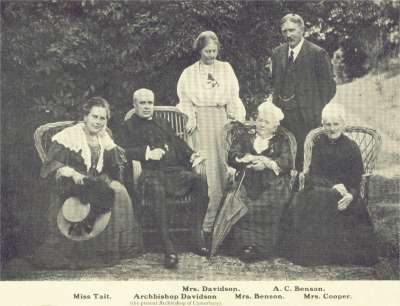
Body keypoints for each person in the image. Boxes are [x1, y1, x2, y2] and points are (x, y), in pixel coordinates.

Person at [30, 97, 143, 269]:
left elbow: (114, 162)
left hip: (93, 180)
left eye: (102, 118)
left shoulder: (103, 137)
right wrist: (74, 174)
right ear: (85, 117)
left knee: (119, 190)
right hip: (70, 183)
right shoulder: (68, 137)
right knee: (108, 191)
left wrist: (111, 147)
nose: (98, 122)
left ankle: (113, 248)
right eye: (94, 117)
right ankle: (95, 250)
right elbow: (53, 167)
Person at [118, 88, 209, 269]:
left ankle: (195, 235)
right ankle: (168, 246)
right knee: (156, 190)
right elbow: (121, 152)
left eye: (150, 103)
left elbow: (178, 143)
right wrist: (147, 154)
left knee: (199, 182)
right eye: (142, 103)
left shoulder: (162, 122)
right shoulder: (127, 126)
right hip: (149, 173)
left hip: (173, 171)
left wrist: (191, 155)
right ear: (134, 105)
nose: (146, 107)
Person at [281, 103, 378, 266]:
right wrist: (332, 186)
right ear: (323, 125)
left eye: (336, 124)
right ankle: (315, 253)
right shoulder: (319, 144)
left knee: (345, 206)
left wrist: (350, 196)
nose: (332, 129)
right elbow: (313, 175)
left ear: (343, 125)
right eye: (328, 124)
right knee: (315, 198)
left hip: (346, 193)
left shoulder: (352, 147)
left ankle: (335, 254)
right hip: (321, 189)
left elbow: (356, 180)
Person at [177, 31, 246, 242]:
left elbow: (233, 98)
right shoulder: (189, 73)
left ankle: (221, 224)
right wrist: (190, 118)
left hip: (221, 121)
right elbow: (185, 100)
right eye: (207, 51)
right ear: (199, 50)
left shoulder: (226, 69)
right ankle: (203, 226)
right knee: (206, 171)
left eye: (215, 51)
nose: (212, 55)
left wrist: (236, 121)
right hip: (201, 121)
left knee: (223, 170)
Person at [217, 102, 293, 262]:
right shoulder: (246, 137)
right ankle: (245, 245)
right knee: (241, 202)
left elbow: (286, 162)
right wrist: (249, 159)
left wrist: (266, 162)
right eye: (259, 120)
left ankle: (262, 248)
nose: (261, 124)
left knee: (269, 203)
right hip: (248, 178)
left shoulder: (281, 140)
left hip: (273, 183)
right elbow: (232, 155)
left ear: (275, 126)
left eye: (266, 122)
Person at [271, 14, 336, 171]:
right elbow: (275, 83)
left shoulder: (317, 53)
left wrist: (315, 108)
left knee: (307, 159)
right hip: (283, 118)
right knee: (285, 158)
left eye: (292, 30)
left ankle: (305, 192)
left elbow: (329, 87)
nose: (288, 35)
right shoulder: (277, 53)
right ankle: (288, 192)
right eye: (284, 31)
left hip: (307, 119)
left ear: (302, 30)